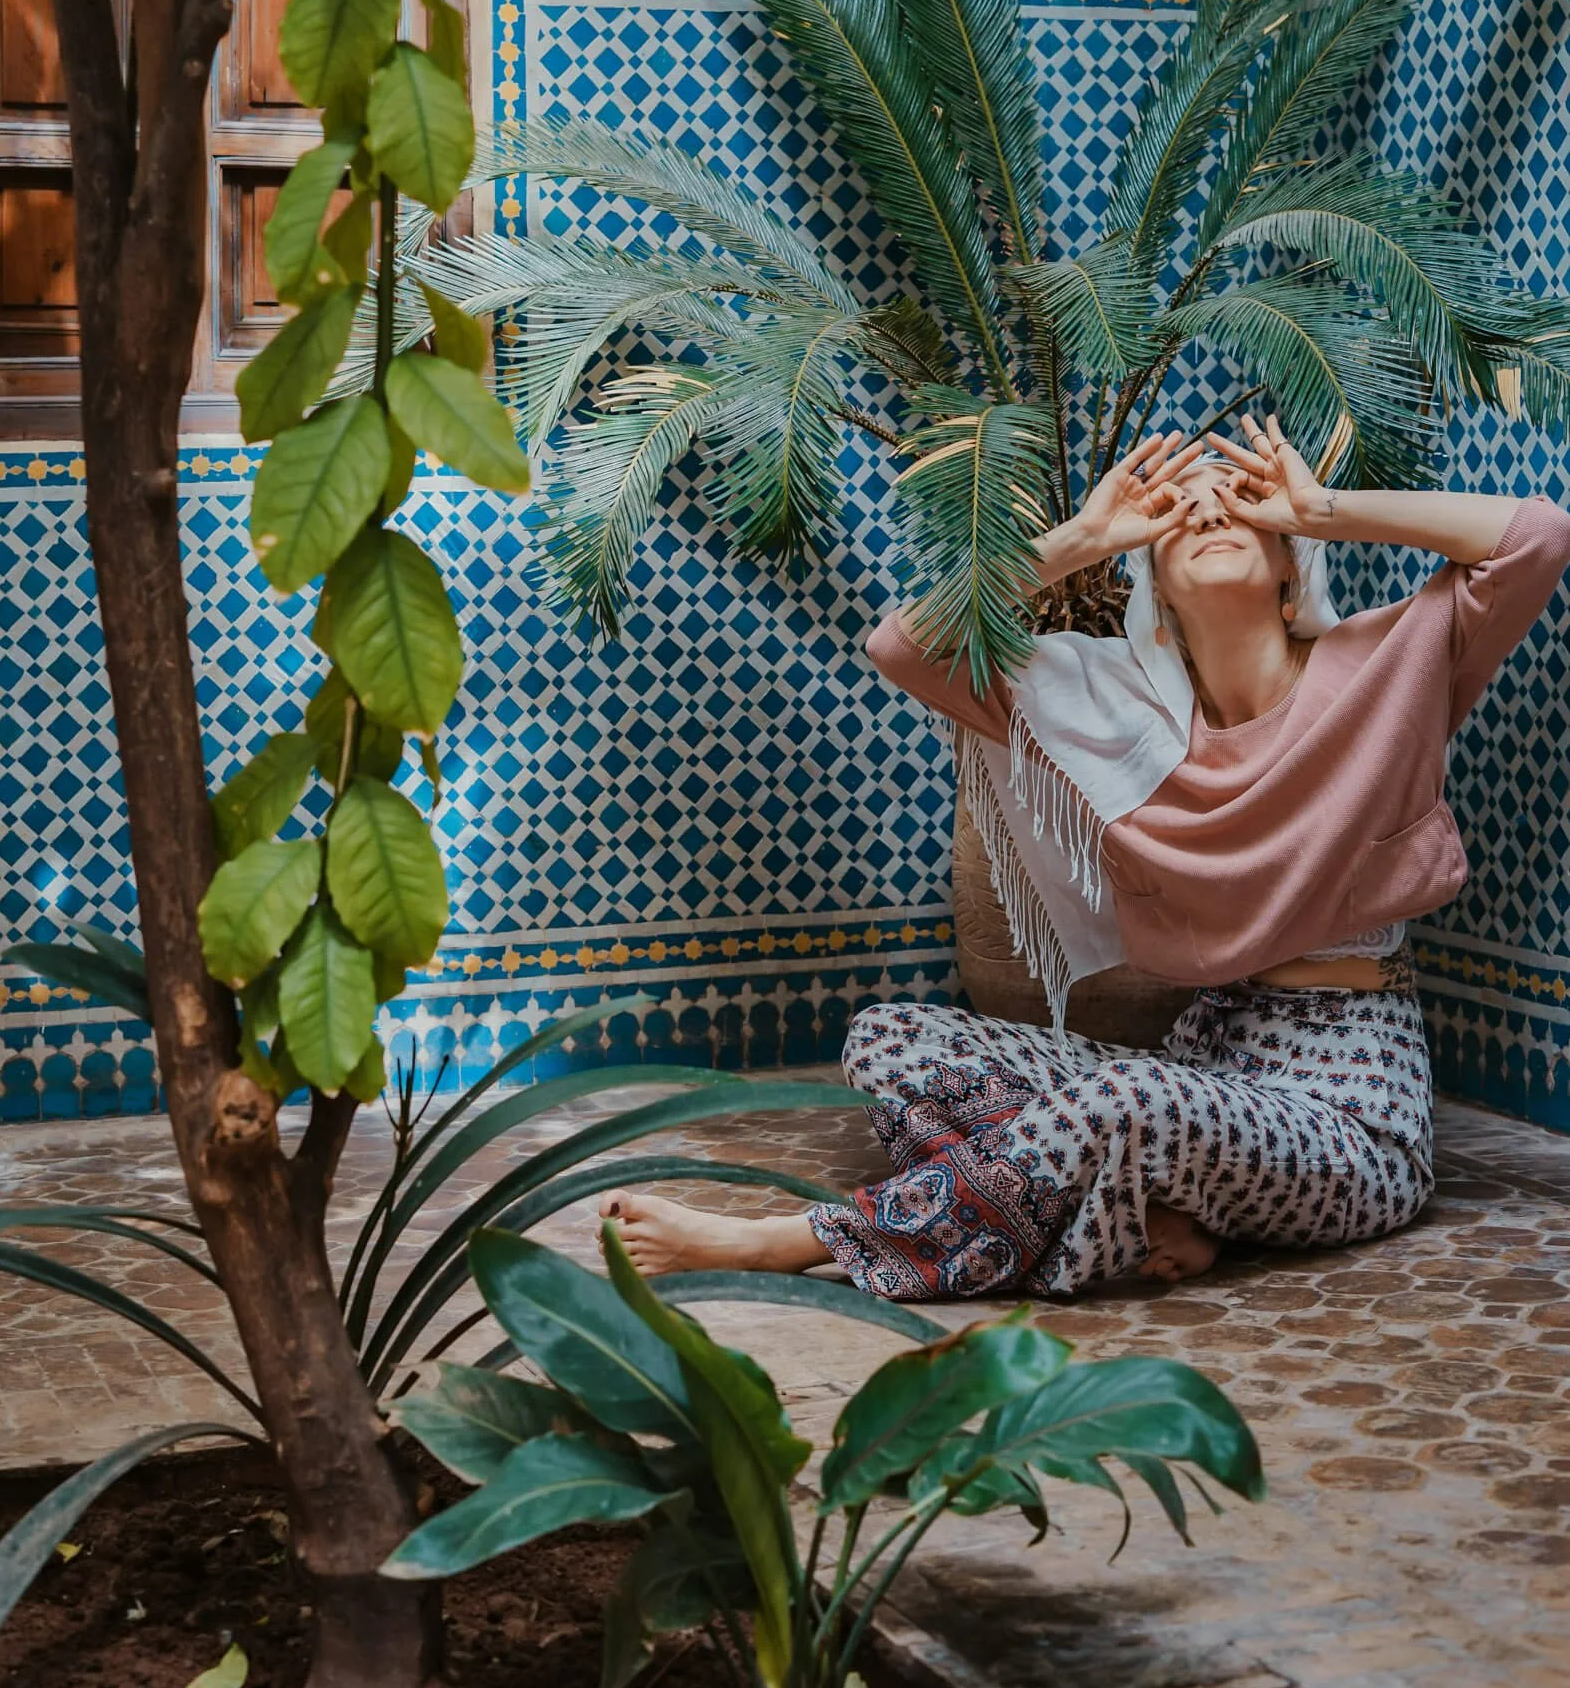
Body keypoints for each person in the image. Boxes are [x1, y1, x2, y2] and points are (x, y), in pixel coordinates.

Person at [600, 417, 1570, 1300]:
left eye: (1238, 504)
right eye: (1180, 517)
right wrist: (1085, 536)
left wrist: (1324, 506)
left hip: (1347, 1105)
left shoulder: (1390, 659)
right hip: (1212, 1056)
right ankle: (1153, 1211)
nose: (1209, 514)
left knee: (1124, 1099)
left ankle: (806, 1239)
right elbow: (905, 646)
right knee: (888, 1039)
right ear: (1155, 584)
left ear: (1288, 565)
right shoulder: (1119, 716)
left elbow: (1537, 534)